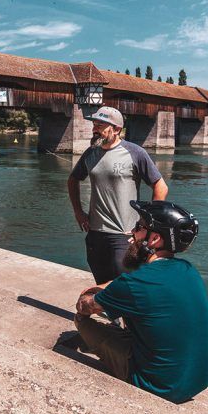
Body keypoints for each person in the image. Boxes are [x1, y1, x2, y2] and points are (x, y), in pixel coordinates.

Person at [74, 200, 208, 404]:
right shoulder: (188, 270)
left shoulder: (134, 284)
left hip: (159, 385)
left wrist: (94, 292)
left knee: (82, 321)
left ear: (155, 238)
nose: (132, 232)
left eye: (139, 227)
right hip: (199, 380)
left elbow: (84, 305)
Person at [67, 105, 169, 285]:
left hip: (125, 234)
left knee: (124, 283)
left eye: (101, 125)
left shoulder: (135, 152)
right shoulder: (90, 153)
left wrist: (149, 224)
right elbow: (73, 180)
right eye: (95, 124)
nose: (95, 128)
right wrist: (78, 212)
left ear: (116, 129)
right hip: (95, 232)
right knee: (101, 281)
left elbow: (160, 186)